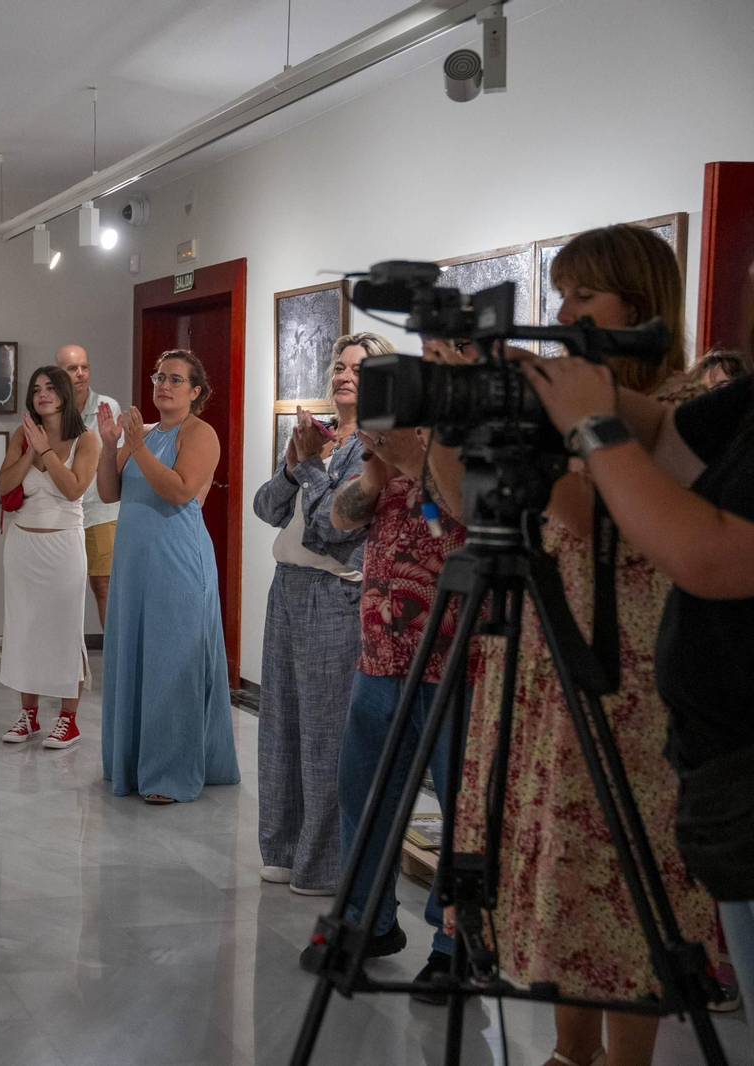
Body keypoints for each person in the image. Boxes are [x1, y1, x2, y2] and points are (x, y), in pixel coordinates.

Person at [445, 225, 717, 1066]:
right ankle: (569, 1051)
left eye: (583, 295)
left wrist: (544, 438)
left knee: (621, 866)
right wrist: (455, 419)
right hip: (546, 661)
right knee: (558, 856)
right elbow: (469, 506)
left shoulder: (677, 421)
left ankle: (624, 1059)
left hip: (622, 676)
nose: (563, 313)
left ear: (639, 307)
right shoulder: (568, 416)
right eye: (559, 295)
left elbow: (590, 511)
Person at [520, 280, 754, 1016]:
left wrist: (589, 423)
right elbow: (666, 438)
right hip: (727, 768)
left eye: (584, 291)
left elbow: (714, 556)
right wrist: (531, 387)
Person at [316, 390, 472, 997]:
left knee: (463, 814)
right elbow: (342, 518)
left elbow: (457, 521)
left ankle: (455, 943)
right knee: (365, 800)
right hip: (380, 654)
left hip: (455, 659)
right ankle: (365, 923)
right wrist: (379, 468)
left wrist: (415, 461)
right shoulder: (391, 451)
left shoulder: (464, 447)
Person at [252, 334, 387, 895]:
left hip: (335, 597)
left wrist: (308, 466)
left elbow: (335, 530)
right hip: (287, 589)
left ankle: (323, 863)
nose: (344, 375)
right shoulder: (322, 440)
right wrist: (294, 463)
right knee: (280, 723)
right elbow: (266, 508)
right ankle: (282, 849)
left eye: (358, 367)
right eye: (338, 366)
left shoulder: (376, 447)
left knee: (325, 732)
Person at [94, 349, 239, 803]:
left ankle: (172, 773)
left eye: (176, 379)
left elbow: (178, 491)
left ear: (195, 392)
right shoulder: (147, 432)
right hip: (134, 563)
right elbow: (108, 490)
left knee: (172, 661)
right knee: (136, 657)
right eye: (160, 377)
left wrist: (135, 447)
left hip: (176, 562)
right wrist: (108, 444)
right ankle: (134, 763)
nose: (164, 385)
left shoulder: (201, 433)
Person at [0, 365, 102, 748]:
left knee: (64, 629)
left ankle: (68, 719)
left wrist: (45, 451)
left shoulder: (86, 440)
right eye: (36, 389)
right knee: (24, 628)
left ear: (64, 394)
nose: (42, 394)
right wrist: (29, 450)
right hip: (23, 543)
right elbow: (4, 485)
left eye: (50, 388)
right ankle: (28, 716)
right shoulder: (19, 436)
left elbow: (73, 489)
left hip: (63, 545)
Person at [56, 344, 121, 626]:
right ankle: (66, 661)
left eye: (85, 367)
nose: (81, 374)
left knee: (104, 587)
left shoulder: (107, 407)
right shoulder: (51, 408)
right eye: (72, 369)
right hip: (61, 511)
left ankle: (112, 660)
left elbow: (117, 458)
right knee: (62, 591)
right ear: (59, 373)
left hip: (101, 512)